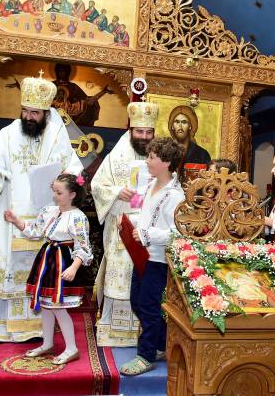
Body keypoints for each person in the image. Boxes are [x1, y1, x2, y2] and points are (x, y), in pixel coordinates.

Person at [0, 74, 83, 342]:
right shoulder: (8, 135)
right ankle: (3, 327)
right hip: (13, 214)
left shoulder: (56, 136)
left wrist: (67, 177)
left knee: (43, 268)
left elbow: (74, 168)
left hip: (48, 216)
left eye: (35, 112)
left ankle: (38, 328)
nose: (29, 117)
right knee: (10, 264)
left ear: (46, 113)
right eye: (25, 111)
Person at [91, 86, 157, 346]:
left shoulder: (159, 157)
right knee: (120, 275)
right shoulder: (116, 156)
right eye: (139, 131)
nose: (143, 137)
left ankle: (144, 330)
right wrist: (118, 192)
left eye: (148, 132)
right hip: (121, 226)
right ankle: (114, 332)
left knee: (145, 279)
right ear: (131, 130)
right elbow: (97, 186)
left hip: (149, 230)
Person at [3, 173, 92, 365]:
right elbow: (35, 231)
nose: (54, 196)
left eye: (59, 193)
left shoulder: (78, 218)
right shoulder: (49, 211)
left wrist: (74, 268)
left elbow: (83, 247)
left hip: (63, 261)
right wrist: (16, 220)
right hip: (47, 259)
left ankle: (72, 348)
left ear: (72, 195)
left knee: (58, 307)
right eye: (54, 191)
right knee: (46, 305)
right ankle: (48, 343)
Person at [119, 137, 184, 376]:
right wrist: (129, 223)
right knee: (137, 301)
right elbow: (145, 215)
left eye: (152, 157)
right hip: (142, 256)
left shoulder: (175, 196)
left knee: (148, 306)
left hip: (158, 260)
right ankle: (161, 344)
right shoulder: (150, 185)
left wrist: (147, 234)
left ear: (166, 162)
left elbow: (178, 233)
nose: (146, 161)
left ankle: (146, 356)